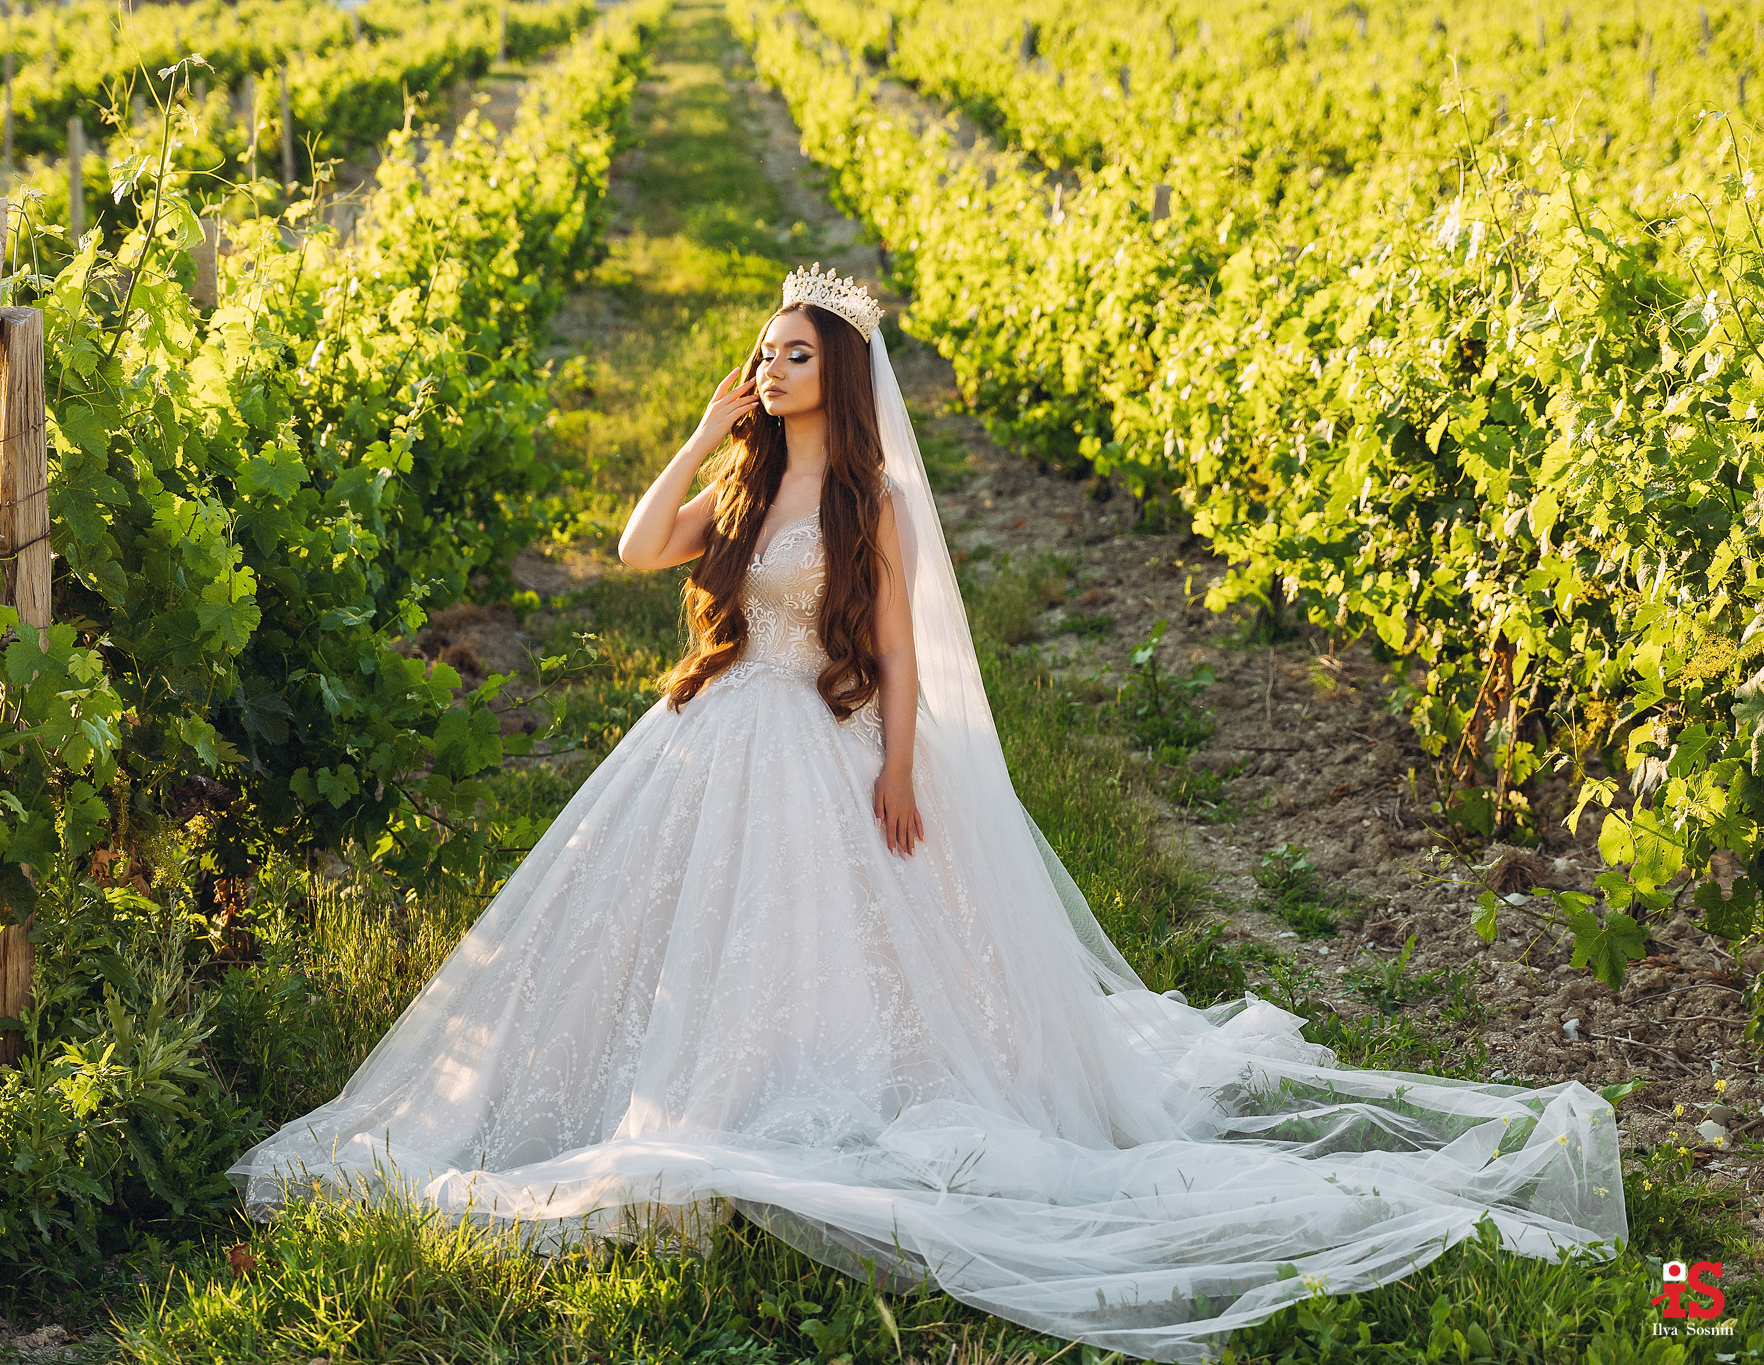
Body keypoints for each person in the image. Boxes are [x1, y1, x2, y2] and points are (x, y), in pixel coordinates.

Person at [230, 265, 1627, 1364]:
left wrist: (900, 768)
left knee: (828, 936)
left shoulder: (872, 498)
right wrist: (706, 425)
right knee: (656, 924)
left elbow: (897, 648)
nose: (771, 368)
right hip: (710, 731)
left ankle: (787, 1089)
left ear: (835, 369)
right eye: (762, 351)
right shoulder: (742, 472)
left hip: (820, 741)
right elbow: (634, 547)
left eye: (791, 353)